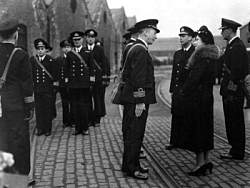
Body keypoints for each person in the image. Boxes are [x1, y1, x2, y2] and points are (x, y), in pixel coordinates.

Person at [121, 19, 160, 180]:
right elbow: (138, 79)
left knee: (134, 133)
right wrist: (140, 101)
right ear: (145, 32)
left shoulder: (135, 47)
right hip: (136, 100)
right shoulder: (139, 50)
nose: (155, 37)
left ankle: (133, 164)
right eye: (154, 33)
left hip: (133, 98)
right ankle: (131, 168)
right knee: (134, 134)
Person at [178, 26, 220, 176]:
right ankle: (207, 161)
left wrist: (183, 91)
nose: (195, 42)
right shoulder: (212, 59)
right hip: (207, 98)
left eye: (197, 40)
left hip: (197, 99)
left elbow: (192, 80)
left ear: (204, 42)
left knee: (197, 131)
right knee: (206, 129)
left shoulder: (201, 59)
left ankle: (199, 164)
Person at [0, 18, 34, 176]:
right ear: (16, 35)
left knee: (3, 142)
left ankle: (4, 179)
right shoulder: (21, 55)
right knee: (18, 143)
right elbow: (27, 86)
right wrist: (29, 108)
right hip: (15, 107)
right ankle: (18, 180)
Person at [219, 18, 249, 160]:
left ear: (229, 30)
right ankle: (235, 149)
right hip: (232, 92)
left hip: (233, 93)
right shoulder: (233, 45)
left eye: (223, 30)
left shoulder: (236, 46)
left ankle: (237, 151)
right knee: (232, 121)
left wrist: (230, 91)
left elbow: (237, 73)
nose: (222, 33)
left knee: (234, 122)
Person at [166, 26, 195, 150]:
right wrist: (172, 90)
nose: (181, 38)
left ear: (190, 37)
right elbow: (174, 73)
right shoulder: (177, 53)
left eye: (183, 36)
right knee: (176, 115)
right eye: (180, 36)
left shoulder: (195, 52)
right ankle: (175, 141)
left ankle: (186, 141)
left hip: (188, 90)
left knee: (187, 115)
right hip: (178, 89)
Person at [65, 31, 95, 135]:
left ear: (82, 40)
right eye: (75, 40)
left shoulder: (87, 52)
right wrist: (67, 83)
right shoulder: (69, 54)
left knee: (84, 107)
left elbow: (92, 68)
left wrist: (91, 82)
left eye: (78, 39)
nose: (77, 42)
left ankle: (85, 128)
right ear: (73, 41)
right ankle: (77, 128)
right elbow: (67, 69)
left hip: (84, 84)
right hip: (73, 84)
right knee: (75, 107)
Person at [30, 38, 57, 136]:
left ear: (46, 49)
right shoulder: (33, 60)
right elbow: (31, 75)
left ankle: (47, 129)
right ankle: (40, 129)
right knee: (39, 110)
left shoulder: (51, 60)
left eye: (42, 48)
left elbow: (55, 75)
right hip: (37, 89)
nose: (40, 51)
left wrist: (55, 87)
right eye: (38, 49)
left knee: (47, 109)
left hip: (48, 89)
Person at [85, 29, 107, 127]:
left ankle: (97, 119)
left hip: (97, 78)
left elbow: (104, 63)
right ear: (86, 38)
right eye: (89, 37)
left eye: (92, 37)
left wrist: (104, 77)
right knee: (88, 100)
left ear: (94, 38)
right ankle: (89, 119)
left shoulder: (99, 49)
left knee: (97, 99)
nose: (90, 39)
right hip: (87, 79)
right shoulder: (84, 49)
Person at [56, 39, 74, 128]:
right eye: (64, 47)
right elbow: (57, 72)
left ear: (71, 48)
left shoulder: (74, 58)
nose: (66, 49)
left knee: (73, 103)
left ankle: (73, 121)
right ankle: (65, 121)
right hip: (63, 85)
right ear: (62, 49)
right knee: (64, 103)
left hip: (72, 85)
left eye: (68, 47)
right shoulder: (59, 59)